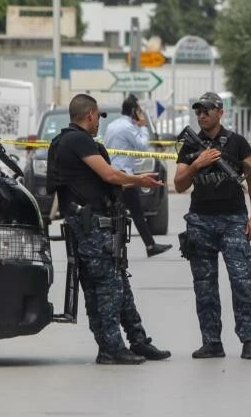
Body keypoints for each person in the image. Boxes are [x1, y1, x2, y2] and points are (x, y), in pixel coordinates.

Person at [47, 93, 171, 365]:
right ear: (90, 114)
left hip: (92, 226)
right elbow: (109, 174)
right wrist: (138, 180)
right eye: (98, 116)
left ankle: (137, 341)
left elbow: (105, 182)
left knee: (117, 285)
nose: (98, 123)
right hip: (93, 229)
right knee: (105, 288)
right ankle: (111, 347)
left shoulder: (64, 142)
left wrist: (135, 181)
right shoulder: (78, 140)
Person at [174, 92, 251, 360]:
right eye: (198, 111)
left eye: (206, 111)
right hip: (200, 220)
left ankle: (249, 340)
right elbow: (178, 184)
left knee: (242, 282)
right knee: (204, 285)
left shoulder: (237, 143)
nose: (201, 115)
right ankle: (211, 341)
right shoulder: (190, 145)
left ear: (220, 112)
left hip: (234, 219)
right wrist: (196, 165)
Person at [104, 94, 172, 257]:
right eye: (139, 110)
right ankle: (148, 246)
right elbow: (142, 147)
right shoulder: (129, 127)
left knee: (117, 212)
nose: (141, 113)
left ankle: (120, 247)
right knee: (135, 212)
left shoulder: (113, 125)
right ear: (134, 110)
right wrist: (143, 126)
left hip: (113, 174)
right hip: (124, 176)